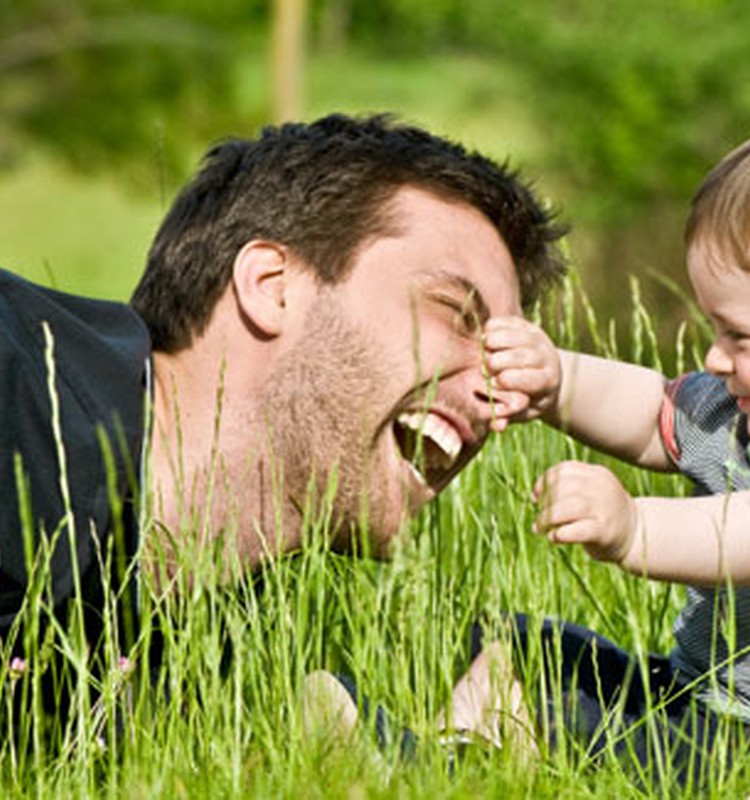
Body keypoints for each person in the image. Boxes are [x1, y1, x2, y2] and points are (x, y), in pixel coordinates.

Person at [0, 114, 566, 702]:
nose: (505, 391)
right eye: (455, 312)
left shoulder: (243, 661)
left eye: (507, 355)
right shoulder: (17, 388)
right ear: (272, 285)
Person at [457, 138, 750, 786]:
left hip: (738, 744)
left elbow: (738, 535)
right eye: (714, 330)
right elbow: (651, 410)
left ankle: (422, 757)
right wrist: (557, 379)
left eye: (739, 336)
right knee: (518, 643)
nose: (714, 357)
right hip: (690, 689)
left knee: (575, 725)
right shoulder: (735, 411)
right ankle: (462, 740)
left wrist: (633, 528)